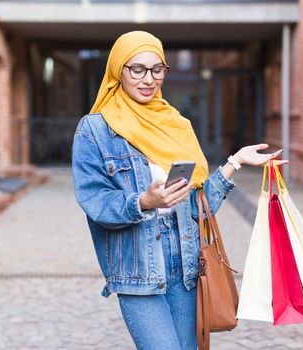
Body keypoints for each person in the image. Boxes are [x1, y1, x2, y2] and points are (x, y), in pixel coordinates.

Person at [72, 31, 283, 350]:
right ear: (119, 70)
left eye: (157, 69)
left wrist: (234, 163)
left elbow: (199, 208)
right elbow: (95, 200)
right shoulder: (96, 130)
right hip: (139, 269)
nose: (148, 79)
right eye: (137, 69)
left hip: (186, 265)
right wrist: (143, 202)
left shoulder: (177, 125)